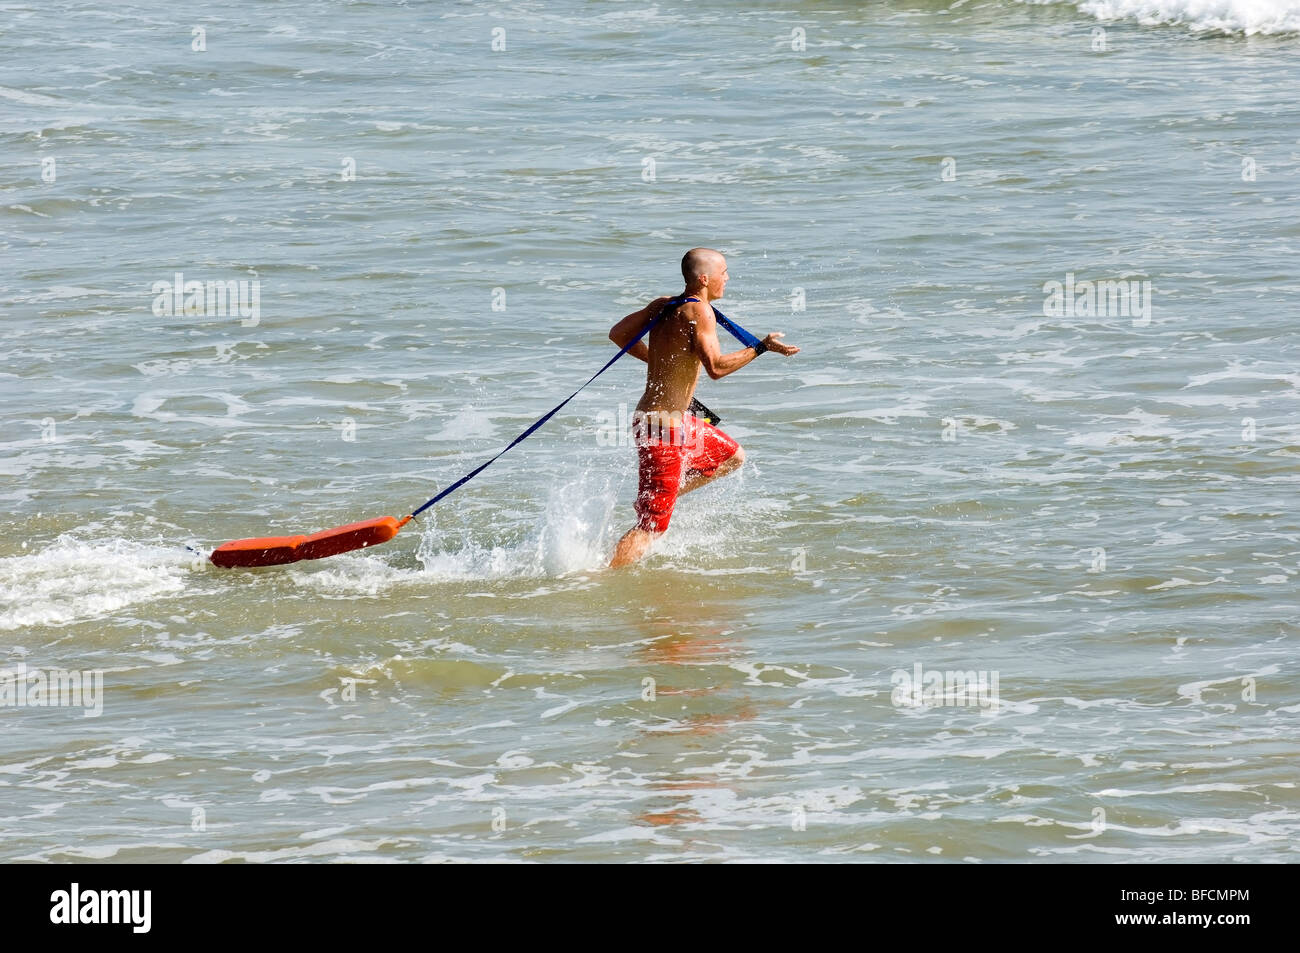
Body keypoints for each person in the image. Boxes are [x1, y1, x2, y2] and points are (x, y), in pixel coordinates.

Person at [607, 248, 800, 568]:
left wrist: (658, 361)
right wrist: (761, 348)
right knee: (651, 528)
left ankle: (658, 499)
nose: (727, 278)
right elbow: (716, 367)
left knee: (732, 456)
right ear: (705, 279)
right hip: (663, 428)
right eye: (723, 272)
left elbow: (619, 334)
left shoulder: (663, 305)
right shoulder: (700, 313)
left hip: (669, 420)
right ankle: (606, 578)